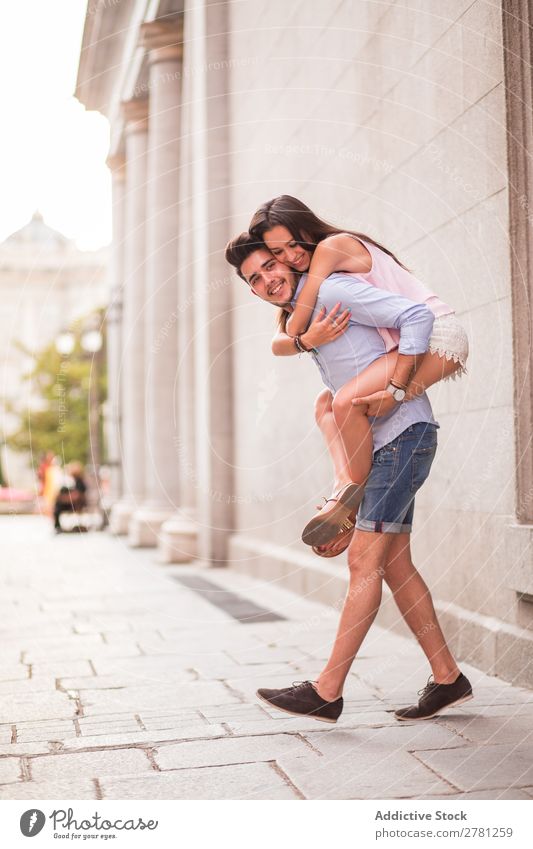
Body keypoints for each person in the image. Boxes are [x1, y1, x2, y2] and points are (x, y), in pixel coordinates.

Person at [224, 232, 473, 723]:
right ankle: (448, 678)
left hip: (401, 440)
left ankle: (327, 690)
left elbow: (415, 316)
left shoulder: (333, 292)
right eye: (254, 279)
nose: (267, 279)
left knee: (363, 562)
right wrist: (301, 340)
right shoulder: (301, 315)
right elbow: (287, 346)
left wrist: (400, 387)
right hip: (386, 446)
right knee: (395, 566)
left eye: (270, 266)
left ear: (289, 260)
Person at [249, 196, 469, 551]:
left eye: (292, 243)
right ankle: (345, 493)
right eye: (279, 252)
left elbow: (294, 324)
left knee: (348, 401)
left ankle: (347, 504)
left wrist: (303, 339)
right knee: (326, 403)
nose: (290, 256)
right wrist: (301, 340)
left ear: (307, 227)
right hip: (417, 339)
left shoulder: (331, 248)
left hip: (436, 337)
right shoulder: (321, 266)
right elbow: (281, 338)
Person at [53, 461, 87, 533]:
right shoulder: (76, 481)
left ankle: (57, 526)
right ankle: (57, 526)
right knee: (58, 504)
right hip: (74, 503)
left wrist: (64, 498)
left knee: (58, 506)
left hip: (77, 505)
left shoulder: (79, 482)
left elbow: (76, 496)